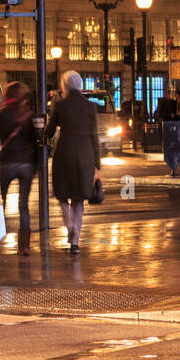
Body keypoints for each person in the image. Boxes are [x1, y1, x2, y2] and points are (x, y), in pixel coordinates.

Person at [44, 71, 101, 255]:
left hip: (65, 153)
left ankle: (69, 225)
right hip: (85, 155)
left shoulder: (60, 105)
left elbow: (50, 130)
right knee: (78, 199)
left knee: (62, 194)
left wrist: (43, 137)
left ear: (65, 86)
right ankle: (75, 243)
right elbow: (95, 136)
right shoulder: (90, 106)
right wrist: (97, 164)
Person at [0, 82, 37, 255]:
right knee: (23, 205)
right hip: (26, 164)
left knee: (0, 199)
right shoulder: (28, 116)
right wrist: (35, 165)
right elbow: (35, 141)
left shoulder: (1, 115)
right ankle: (24, 246)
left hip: (7, 162)